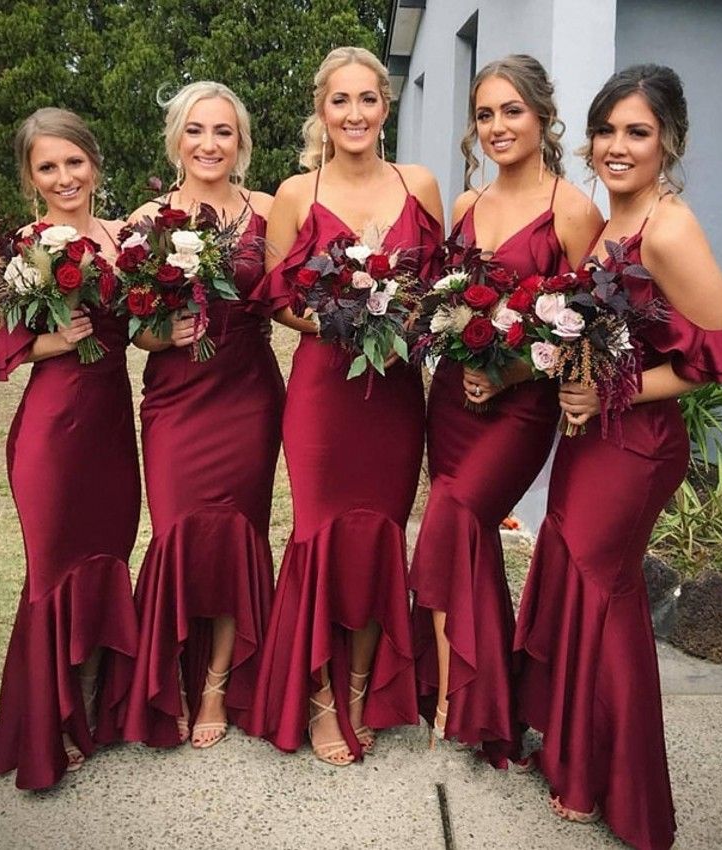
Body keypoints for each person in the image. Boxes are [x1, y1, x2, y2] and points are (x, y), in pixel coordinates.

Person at [513, 65, 722, 849]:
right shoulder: (613, 218)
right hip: (593, 435)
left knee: (604, 593)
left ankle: (625, 791)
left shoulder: (669, 229)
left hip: (638, 445)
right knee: (576, 575)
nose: (617, 146)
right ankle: (574, 752)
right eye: (607, 129)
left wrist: (612, 392)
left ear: (667, 142)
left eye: (636, 132)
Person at [249, 46, 444, 766]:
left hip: (394, 399)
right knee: (324, 539)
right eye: (341, 101)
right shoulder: (297, 190)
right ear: (322, 110)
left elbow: (440, 287)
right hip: (325, 397)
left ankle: (363, 689)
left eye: (368, 99)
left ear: (385, 108)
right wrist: (344, 320)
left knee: (377, 541)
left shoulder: (418, 183)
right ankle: (321, 696)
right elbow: (274, 298)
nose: (355, 113)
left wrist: (402, 318)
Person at [409, 55, 603, 766]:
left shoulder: (575, 211)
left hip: (522, 409)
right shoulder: (465, 207)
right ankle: (487, 706)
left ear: (544, 117)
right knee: (462, 536)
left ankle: (452, 700)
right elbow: (444, 302)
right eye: (485, 114)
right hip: (453, 399)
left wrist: (518, 368)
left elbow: (593, 326)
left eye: (511, 111)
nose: (496, 126)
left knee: (455, 516)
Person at [0, 107, 140, 789]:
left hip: (110, 428)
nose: (65, 176)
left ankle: (91, 711)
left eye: (74, 161)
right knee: (53, 574)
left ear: (95, 162)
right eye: (48, 166)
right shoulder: (24, 247)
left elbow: (142, 323)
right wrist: (53, 341)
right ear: (30, 178)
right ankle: (47, 727)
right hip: (51, 430)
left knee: (105, 561)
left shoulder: (128, 239)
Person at [121, 82, 284, 750]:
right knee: (180, 532)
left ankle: (217, 680)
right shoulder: (148, 219)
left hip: (248, 395)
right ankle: (169, 677)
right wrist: (169, 331)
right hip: (177, 400)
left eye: (222, 131)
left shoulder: (271, 211)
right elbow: (134, 331)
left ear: (240, 141)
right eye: (195, 130)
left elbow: (290, 298)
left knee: (236, 533)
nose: (208, 144)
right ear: (176, 140)